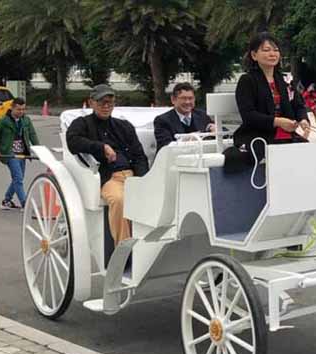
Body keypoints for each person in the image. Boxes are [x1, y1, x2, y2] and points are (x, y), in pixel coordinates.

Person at [66, 84, 149, 245]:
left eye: (110, 103)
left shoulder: (124, 126)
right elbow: (73, 141)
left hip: (132, 176)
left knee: (156, 196)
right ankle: (124, 250)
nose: (106, 106)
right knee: (119, 200)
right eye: (101, 102)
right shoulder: (82, 123)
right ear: (91, 103)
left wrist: (143, 180)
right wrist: (101, 147)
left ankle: (149, 246)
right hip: (109, 177)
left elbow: (139, 156)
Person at [224, 32, 310, 173]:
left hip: (287, 134)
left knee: (308, 152)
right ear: (254, 55)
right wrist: (277, 121)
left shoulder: (285, 80)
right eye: (266, 50)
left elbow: (298, 105)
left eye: (276, 50)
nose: (272, 54)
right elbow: (248, 115)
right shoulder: (247, 80)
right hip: (258, 135)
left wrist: (303, 119)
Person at [0, 97, 39, 210]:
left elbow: (32, 135)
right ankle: (24, 204)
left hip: (22, 153)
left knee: (18, 178)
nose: (21, 112)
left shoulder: (26, 120)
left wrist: (39, 149)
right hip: (9, 153)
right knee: (18, 178)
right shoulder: (3, 121)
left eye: (23, 109)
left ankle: (6, 200)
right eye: (18, 109)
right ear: (11, 108)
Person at [153, 82, 216, 150]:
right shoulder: (162, 121)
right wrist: (189, 138)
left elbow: (224, 134)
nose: (187, 102)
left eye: (190, 98)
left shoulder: (203, 116)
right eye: (183, 98)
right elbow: (166, 146)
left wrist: (215, 130)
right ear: (173, 100)